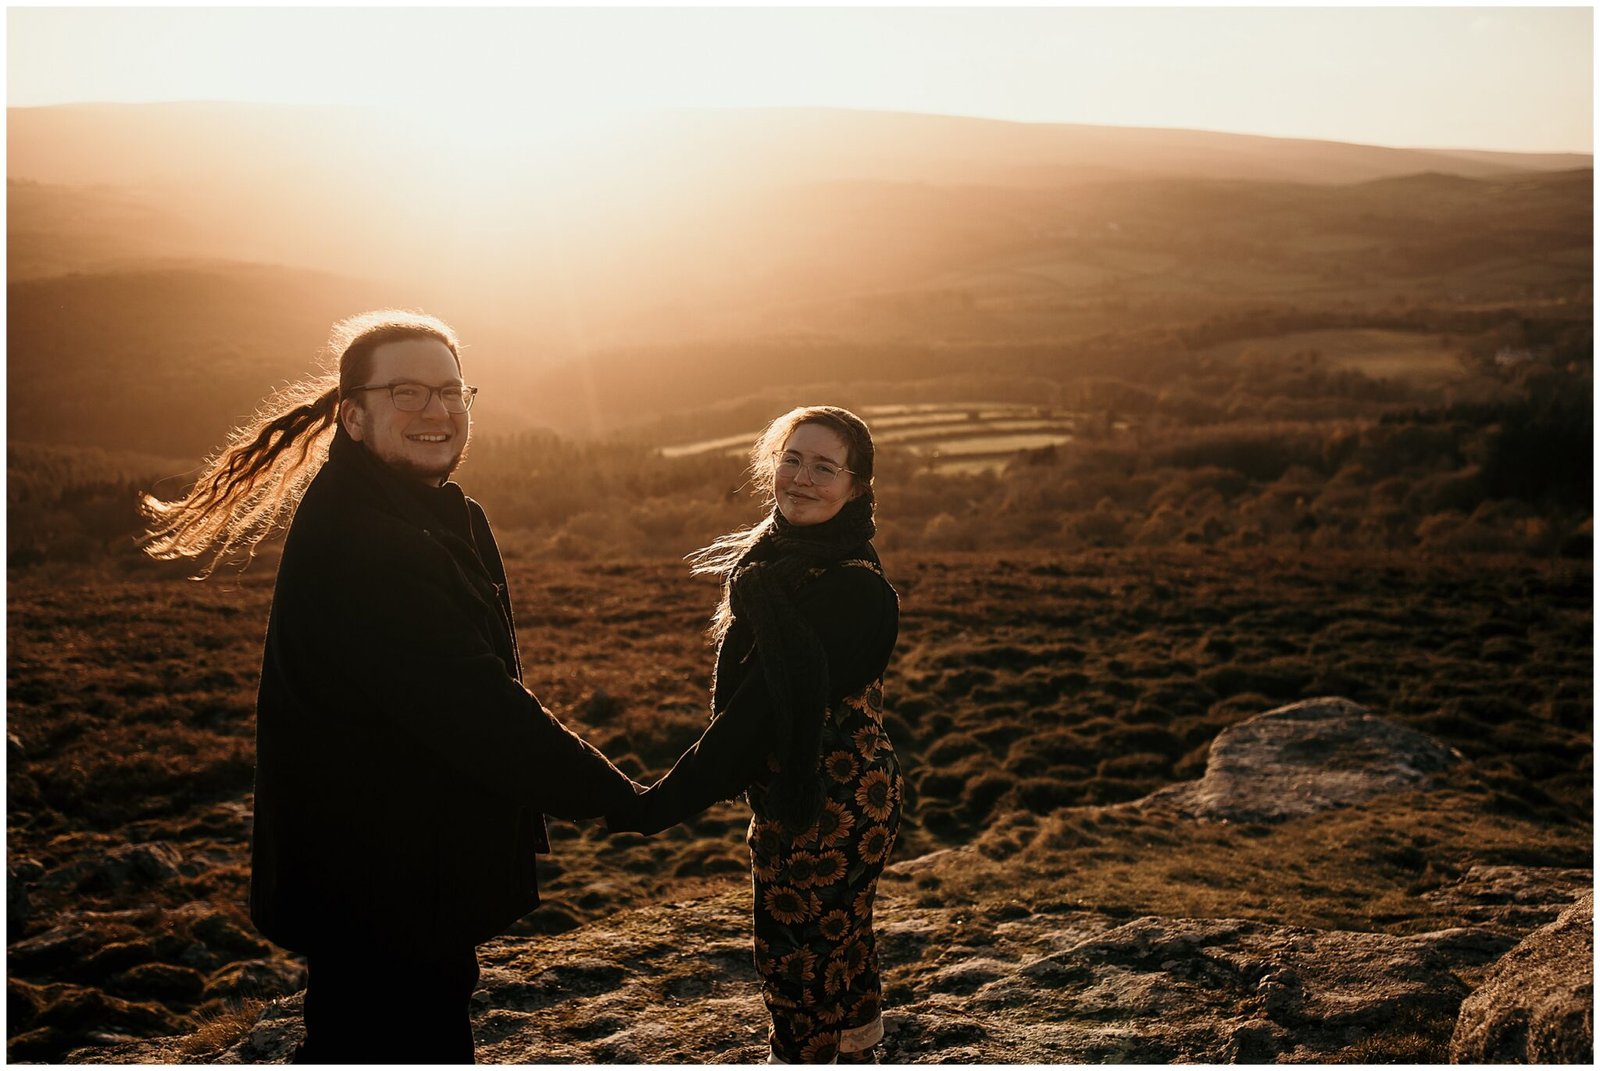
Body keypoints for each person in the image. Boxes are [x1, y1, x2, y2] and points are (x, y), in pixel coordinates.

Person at [140, 310, 639, 1064]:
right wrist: (624, 800)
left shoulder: (436, 510)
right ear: (354, 415)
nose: (437, 410)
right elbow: (478, 705)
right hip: (375, 879)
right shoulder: (364, 540)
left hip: (410, 870)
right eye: (408, 391)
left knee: (403, 1024)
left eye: (450, 390)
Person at [607, 405, 902, 1064]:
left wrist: (654, 805)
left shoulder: (850, 588)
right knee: (841, 942)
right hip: (811, 791)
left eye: (824, 466)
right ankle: (859, 1053)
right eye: (791, 459)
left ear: (856, 486)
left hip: (830, 802)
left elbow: (757, 715)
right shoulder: (778, 562)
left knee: (797, 960)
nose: (801, 477)